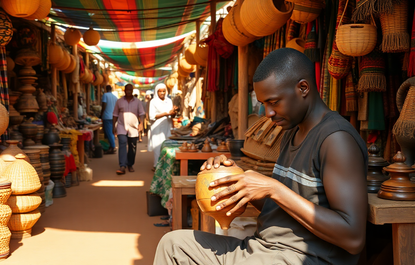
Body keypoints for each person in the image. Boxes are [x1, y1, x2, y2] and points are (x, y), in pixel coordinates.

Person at [154, 48, 368, 264]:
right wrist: (237, 182)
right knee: (173, 245)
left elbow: (353, 238)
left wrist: (274, 189)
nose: (268, 113)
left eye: (274, 102)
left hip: (301, 258)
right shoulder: (291, 132)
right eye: (264, 104)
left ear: (303, 88)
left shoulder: (336, 140)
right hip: (262, 249)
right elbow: (283, 208)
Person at [113, 84, 145, 175]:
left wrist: (141, 123)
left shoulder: (138, 102)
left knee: (132, 146)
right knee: (122, 142)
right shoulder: (119, 101)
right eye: (127, 90)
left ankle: (130, 164)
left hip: (133, 128)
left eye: (130, 90)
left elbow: (142, 113)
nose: (128, 91)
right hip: (121, 126)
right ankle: (122, 166)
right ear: (124, 90)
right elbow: (115, 114)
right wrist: (113, 126)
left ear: (132, 90)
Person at [148, 84, 177, 172]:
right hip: (157, 128)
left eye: (163, 91)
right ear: (157, 92)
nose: (162, 93)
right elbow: (152, 116)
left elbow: (172, 115)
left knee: (167, 146)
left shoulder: (169, 101)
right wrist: (165, 113)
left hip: (167, 126)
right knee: (158, 147)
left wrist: (173, 112)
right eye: (160, 91)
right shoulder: (153, 102)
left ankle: (166, 165)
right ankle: (157, 165)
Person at [101, 85, 118, 154]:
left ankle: (113, 146)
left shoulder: (105, 95)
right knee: (111, 132)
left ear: (106, 89)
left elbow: (104, 105)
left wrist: (101, 114)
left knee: (109, 132)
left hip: (107, 116)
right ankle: (111, 146)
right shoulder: (115, 97)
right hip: (113, 116)